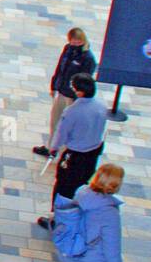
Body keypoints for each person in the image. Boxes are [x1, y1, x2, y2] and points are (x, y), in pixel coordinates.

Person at [37, 73, 108, 231]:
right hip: (93, 153)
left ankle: (58, 220)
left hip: (76, 155)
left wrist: (53, 149)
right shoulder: (101, 106)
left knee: (64, 187)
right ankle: (76, 214)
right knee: (81, 185)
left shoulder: (73, 111)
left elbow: (61, 133)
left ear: (80, 92)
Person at [33, 27, 96, 158]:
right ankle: (50, 148)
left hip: (73, 97)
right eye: (72, 42)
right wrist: (54, 86)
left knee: (68, 125)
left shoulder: (87, 58)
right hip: (62, 92)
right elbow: (60, 69)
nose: (74, 45)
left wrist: (78, 97)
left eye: (77, 42)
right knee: (55, 120)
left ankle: (63, 153)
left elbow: (85, 80)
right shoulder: (68, 49)